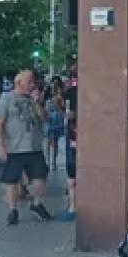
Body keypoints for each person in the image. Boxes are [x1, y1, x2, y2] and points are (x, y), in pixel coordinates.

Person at [0, 69, 52, 225]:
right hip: (14, 147)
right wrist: (1, 145)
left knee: (40, 177)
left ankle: (36, 203)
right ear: (19, 83)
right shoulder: (6, 98)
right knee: (11, 180)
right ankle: (13, 210)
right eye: (29, 82)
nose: (32, 85)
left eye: (33, 82)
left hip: (34, 147)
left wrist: (38, 103)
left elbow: (45, 119)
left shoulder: (35, 99)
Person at [61, 67, 78, 221]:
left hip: (74, 135)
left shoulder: (70, 93)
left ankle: (73, 207)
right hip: (78, 136)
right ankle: (73, 206)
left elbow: (68, 114)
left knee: (72, 172)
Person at [45, 76, 66, 171]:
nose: (54, 85)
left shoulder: (61, 95)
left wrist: (59, 102)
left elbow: (63, 108)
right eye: (53, 83)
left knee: (55, 142)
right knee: (48, 141)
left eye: (57, 83)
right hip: (48, 117)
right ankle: (48, 161)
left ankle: (53, 161)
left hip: (57, 118)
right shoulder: (47, 92)